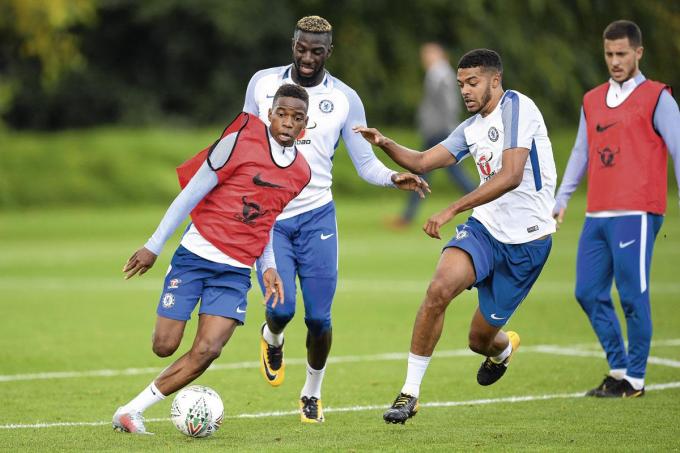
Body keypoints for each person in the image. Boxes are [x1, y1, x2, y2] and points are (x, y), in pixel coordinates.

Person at [355, 48, 557, 424]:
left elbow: (511, 175)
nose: (464, 90)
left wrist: (451, 208)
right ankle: (409, 394)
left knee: (479, 340)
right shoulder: (471, 128)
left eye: (473, 82)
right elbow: (420, 161)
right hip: (485, 229)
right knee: (439, 289)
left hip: (528, 242)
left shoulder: (518, 107)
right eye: (462, 83)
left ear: (495, 80)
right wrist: (384, 143)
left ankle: (501, 351)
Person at [243, 15, 428, 423]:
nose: (307, 58)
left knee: (319, 318)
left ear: (330, 52)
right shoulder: (261, 84)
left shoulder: (345, 99)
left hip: (317, 218)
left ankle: (312, 392)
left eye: (317, 50)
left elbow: (365, 163)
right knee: (282, 310)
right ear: (292, 44)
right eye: (301, 48)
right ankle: (272, 337)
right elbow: (244, 143)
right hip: (270, 218)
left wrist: (392, 176)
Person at [112, 84, 313, 435]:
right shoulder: (236, 144)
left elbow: (266, 221)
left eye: (296, 118)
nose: (286, 122)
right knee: (164, 346)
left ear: (305, 125)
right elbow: (189, 195)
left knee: (208, 349)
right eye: (281, 114)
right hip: (195, 256)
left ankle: (130, 412)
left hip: (234, 272)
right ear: (269, 115)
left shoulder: (301, 173)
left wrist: (268, 267)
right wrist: (153, 246)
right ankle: (136, 405)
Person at [553, 20, 680, 398]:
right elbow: (581, 151)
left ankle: (635, 379)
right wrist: (562, 198)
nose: (614, 61)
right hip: (597, 213)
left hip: (638, 212)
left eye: (622, 53)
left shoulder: (659, 97)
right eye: (609, 54)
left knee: (631, 294)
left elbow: (678, 148)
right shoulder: (591, 100)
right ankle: (619, 367)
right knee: (588, 292)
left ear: (638, 52)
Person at [389, 42, 476, 229]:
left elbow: (450, 105)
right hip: (437, 131)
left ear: (439, 54)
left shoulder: (442, 74)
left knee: (428, 171)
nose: (425, 58)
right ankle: (407, 216)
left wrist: (449, 132)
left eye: (429, 54)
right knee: (424, 173)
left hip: (440, 132)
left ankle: (484, 201)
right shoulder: (435, 73)